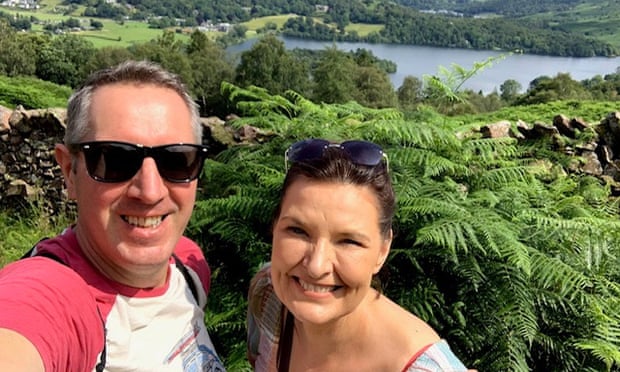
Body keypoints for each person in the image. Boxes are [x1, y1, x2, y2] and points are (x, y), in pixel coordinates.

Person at [0, 60, 226, 372]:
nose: (150, 192)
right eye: (115, 160)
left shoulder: (188, 263)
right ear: (69, 171)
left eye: (176, 161)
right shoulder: (53, 295)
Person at [247, 139, 471, 371]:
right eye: (298, 231)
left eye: (348, 241)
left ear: (382, 251)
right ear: (274, 228)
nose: (316, 265)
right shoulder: (267, 296)